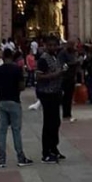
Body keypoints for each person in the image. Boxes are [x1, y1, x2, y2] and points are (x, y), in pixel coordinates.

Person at [0, 47, 34, 168]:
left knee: (2, 131)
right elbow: (21, 86)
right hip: (14, 101)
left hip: (3, 101)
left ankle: (2, 159)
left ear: (3, 57)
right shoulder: (17, 69)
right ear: (12, 56)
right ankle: (20, 157)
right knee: (16, 130)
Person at [36, 35, 65, 164]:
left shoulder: (56, 57)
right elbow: (39, 76)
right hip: (46, 94)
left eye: (55, 45)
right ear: (45, 46)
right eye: (50, 45)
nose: (53, 47)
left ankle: (54, 148)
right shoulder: (43, 59)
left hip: (55, 93)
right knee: (48, 123)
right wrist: (56, 74)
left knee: (56, 122)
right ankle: (46, 152)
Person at [58, 39, 80, 122]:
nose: (73, 47)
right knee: (66, 97)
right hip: (65, 77)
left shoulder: (73, 53)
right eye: (71, 45)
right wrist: (73, 63)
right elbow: (62, 65)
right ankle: (65, 114)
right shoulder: (63, 53)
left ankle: (68, 113)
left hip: (71, 77)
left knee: (70, 96)